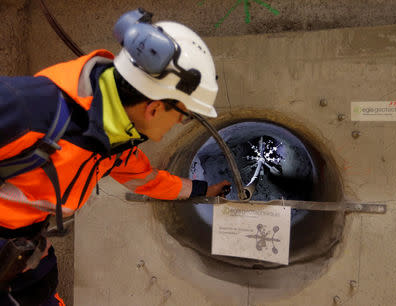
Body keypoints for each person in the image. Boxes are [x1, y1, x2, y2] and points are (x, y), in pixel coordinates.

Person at [0, 9, 230, 305]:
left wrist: (201, 190)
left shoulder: (115, 143)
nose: (178, 125)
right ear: (155, 107)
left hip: (24, 260)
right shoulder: (28, 109)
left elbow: (147, 180)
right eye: (183, 116)